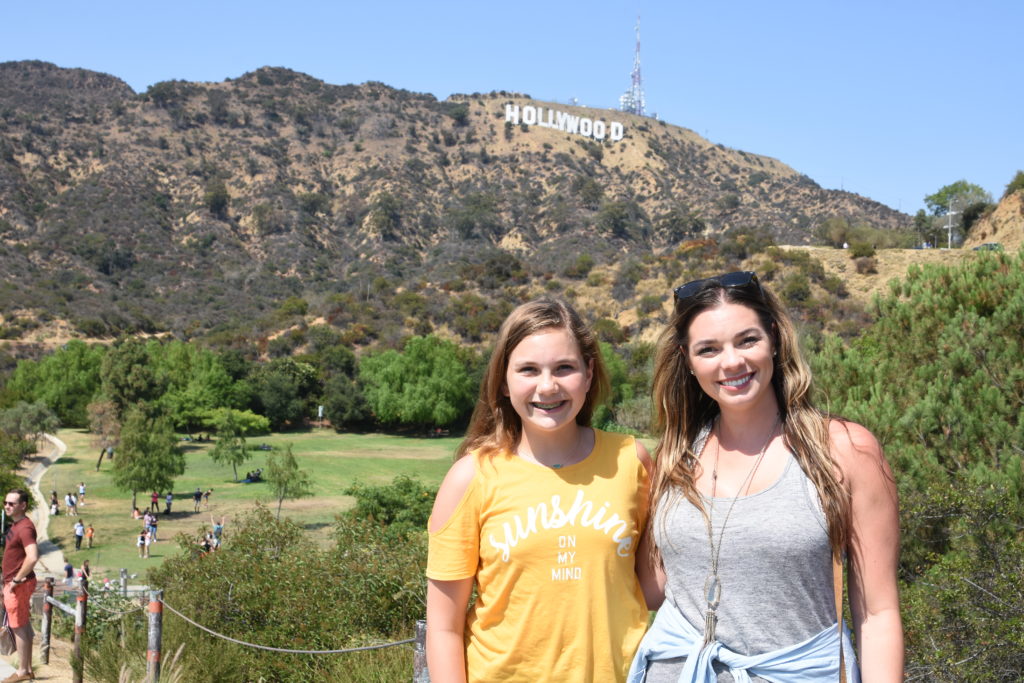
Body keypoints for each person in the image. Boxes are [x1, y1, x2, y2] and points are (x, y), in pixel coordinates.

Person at [629, 271, 903, 682]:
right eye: (709, 349)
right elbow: (651, 589)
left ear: (773, 339)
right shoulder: (675, 455)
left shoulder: (845, 451)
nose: (732, 361)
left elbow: (878, 614)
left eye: (747, 340)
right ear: (687, 360)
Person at [425, 299, 655, 682]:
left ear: (589, 372)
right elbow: (444, 627)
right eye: (528, 370)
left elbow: (650, 588)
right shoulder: (471, 478)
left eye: (564, 368)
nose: (547, 387)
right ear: (503, 380)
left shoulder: (632, 461)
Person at [3, 489, 39, 683]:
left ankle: (23, 671)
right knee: (22, 623)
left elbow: (32, 556)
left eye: (12, 503)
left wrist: (15, 581)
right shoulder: (17, 525)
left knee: (18, 625)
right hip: (15, 583)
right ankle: (27, 669)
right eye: (5, 503)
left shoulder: (25, 528)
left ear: (23, 505)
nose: (7, 506)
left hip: (18, 585)